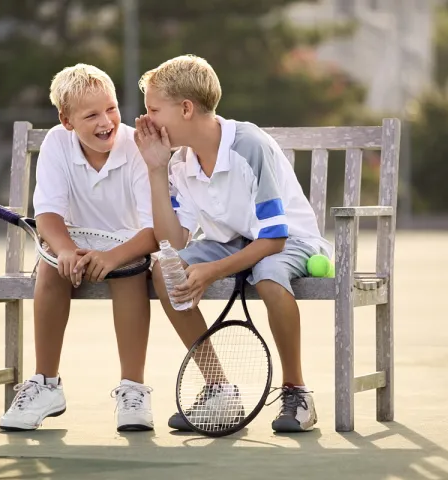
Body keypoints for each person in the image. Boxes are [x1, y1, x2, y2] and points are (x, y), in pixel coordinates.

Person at [135, 54, 333, 433]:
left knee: (269, 276)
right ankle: (219, 388)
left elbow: (274, 238)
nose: (146, 121)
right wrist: (157, 170)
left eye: (153, 109)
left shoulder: (249, 146)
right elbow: (172, 240)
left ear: (187, 109)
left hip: (289, 240)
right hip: (234, 242)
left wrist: (211, 271)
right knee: (164, 269)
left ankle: (298, 392)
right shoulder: (179, 162)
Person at [0, 64, 157, 432]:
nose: (106, 121)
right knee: (52, 268)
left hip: (128, 246)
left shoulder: (136, 147)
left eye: (111, 109)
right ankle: (46, 384)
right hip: (75, 242)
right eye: (91, 115)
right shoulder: (57, 142)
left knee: (128, 274)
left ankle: (133, 388)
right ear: (67, 121)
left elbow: (154, 229)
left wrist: (114, 256)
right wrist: (67, 250)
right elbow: (49, 215)